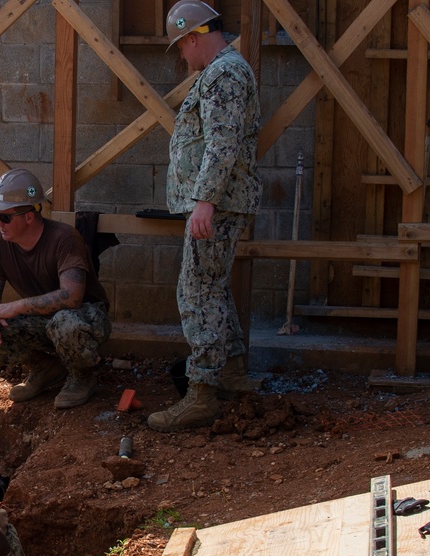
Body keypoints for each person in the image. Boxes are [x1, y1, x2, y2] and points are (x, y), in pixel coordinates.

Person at [147, 0, 262, 433]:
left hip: (218, 203)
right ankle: (231, 375)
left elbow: (222, 142)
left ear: (194, 38)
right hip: (219, 201)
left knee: (196, 294)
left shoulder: (224, 73)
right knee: (212, 289)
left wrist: (205, 201)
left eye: (181, 47)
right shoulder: (222, 72)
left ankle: (201, 395)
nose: (182, 56)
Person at [0, 168, 112, 409]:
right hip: (42, 320)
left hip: (85, 317)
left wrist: (15, 307)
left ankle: (82, 377)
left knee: (65, 322)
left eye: (5, 217)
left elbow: (72, 297)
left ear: (29, 216)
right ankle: (45, 369)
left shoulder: (64, 238)